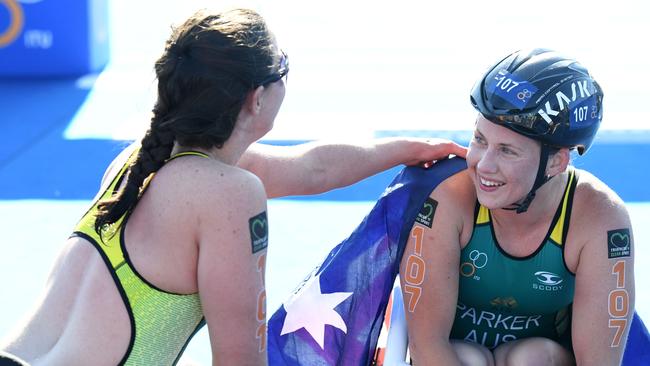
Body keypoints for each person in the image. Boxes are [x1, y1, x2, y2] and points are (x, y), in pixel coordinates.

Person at [0, 8, 465, 366]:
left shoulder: (142, 161)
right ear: (256, 98)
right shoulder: (229, 194)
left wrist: (407, 149)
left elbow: (312, 169)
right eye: (284, 65)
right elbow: (240, 358)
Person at [400, 48, 635, 365]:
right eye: (480, 140)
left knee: (530, 358)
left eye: (507, 151)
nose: (484, 165)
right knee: (468, 358)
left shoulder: (600, 218)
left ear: (556, 161)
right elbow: (426, 347)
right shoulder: (450, 198)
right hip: (455, 356)